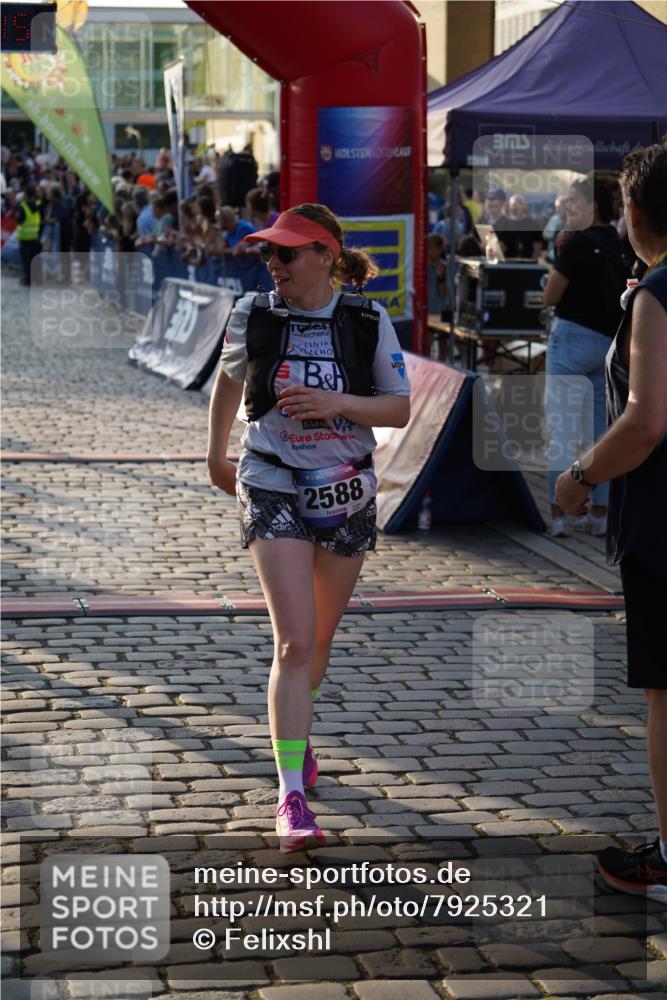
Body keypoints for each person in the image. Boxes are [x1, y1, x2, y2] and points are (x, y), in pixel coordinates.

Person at [206, 203, 411, 851]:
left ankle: (300, 732)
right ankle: (289, 793)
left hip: (344, 485)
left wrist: (338, 403)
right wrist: (215, 452)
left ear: (325, 255)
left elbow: (400, 407)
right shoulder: (253, 312)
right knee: (293, 643)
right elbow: (228, 381)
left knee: (317, 643)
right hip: (269, 477)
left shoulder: (365, 319)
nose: (274, 264)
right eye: (270, 253)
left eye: (287, 253)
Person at [555, 142, 667, 902]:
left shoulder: (657, 293)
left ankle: (666, 855)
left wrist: (579, 476)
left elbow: (645, 420)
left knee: (666, 691)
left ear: (630, 213)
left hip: (662, 521)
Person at [543, 172, 631, 536]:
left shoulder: (576, 244)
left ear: (592, 206)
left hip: (573, 339)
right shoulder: (621, 243)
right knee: (601, 432)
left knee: (561, 428)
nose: (568, 208)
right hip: (608, 344)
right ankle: (600, 513)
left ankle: (560, 515)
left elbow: (551, 295)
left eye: (575, 202)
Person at [16, 185, 43, 286]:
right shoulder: (38, 204)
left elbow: (20, 220)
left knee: (26, 260)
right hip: (35, 237)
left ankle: (28, 280)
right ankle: (37, 280)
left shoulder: (23, 206)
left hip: (25, 238)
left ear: (26, 195)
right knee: (35, 259)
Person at [427, 232, 449, 317]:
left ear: (440, 250)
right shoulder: (420, 268)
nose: (427, 251)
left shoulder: (445, 267)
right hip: (425, 313)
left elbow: (444, 293)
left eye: (430, 248)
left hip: (438, 312)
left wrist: (440, 277)